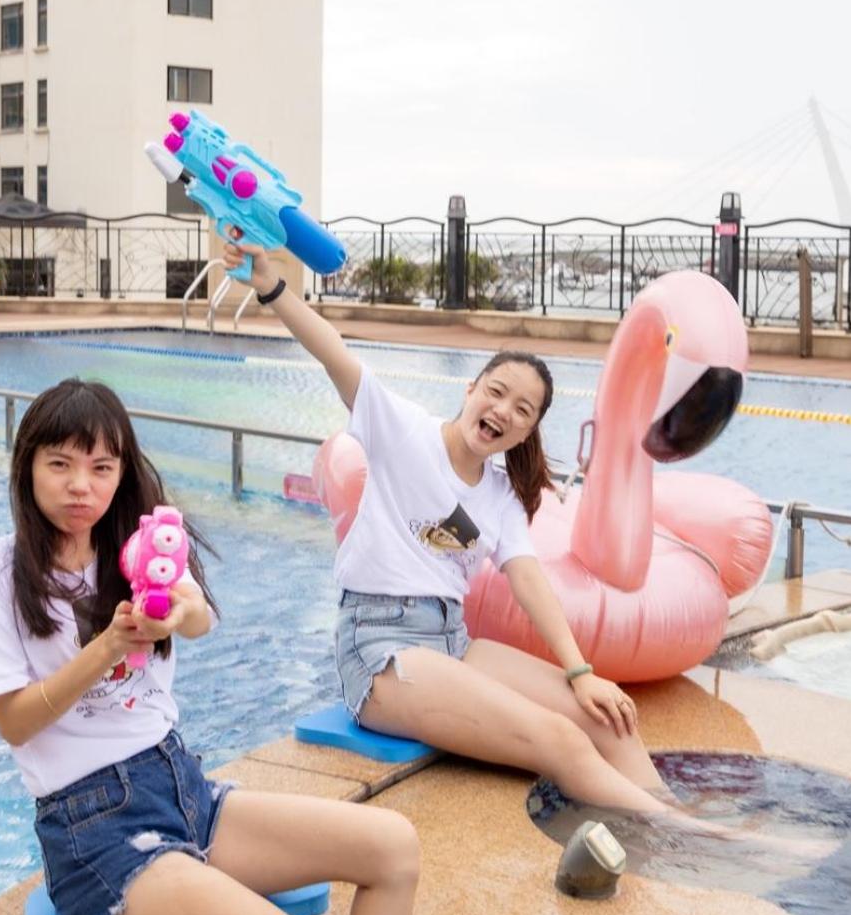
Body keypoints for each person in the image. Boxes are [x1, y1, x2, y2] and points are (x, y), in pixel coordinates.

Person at [0, 378, 433, 915]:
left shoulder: (137, 551)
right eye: (60, 464)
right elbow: (14, 722)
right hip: (96, 833)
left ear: (122, 473)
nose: (81, 485)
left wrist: (183, 611)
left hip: (183, 791)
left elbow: (198, 617)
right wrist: (107, 649)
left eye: (101, 467)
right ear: (27, 467)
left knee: (393, 845)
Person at [220, 241, 755, 834]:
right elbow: (333, 352)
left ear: (527, 431)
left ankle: (671, 808)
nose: (504, 411)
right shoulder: (403, 431)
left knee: (607, 719)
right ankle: (694, 838)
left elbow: (529, 580)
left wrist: (582, 673)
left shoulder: (500, 494)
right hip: (380, 649)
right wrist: (271, 287)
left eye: (523, 410)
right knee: (559, 739)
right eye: (496, 392)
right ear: (471, 389)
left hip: (452, 640)